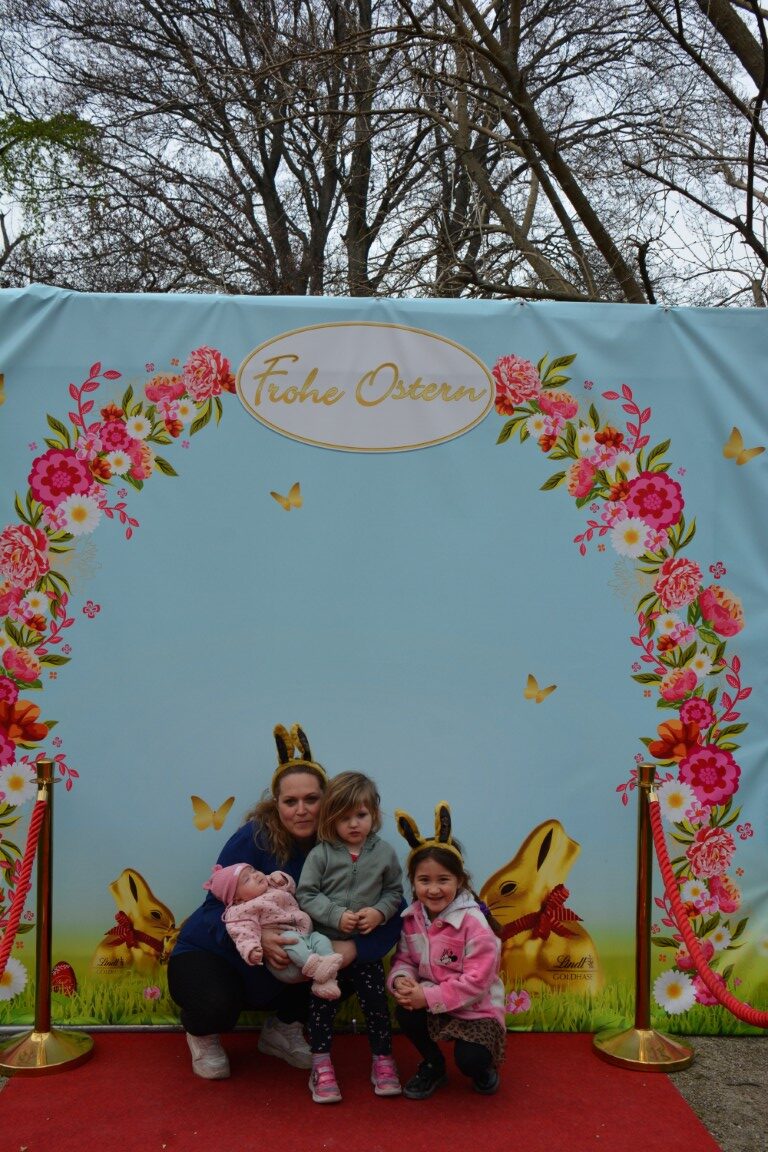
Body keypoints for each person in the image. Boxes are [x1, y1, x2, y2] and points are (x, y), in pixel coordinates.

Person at [168, 724, 403, 1080]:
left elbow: (393, 907)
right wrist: (257, 936)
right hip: (216, 952)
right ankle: (203, 1033)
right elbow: (214, 907)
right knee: (215, 1004)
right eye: (290, 801)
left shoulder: (347, 846)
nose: (301, 810)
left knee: (344, 966)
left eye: (312, 799)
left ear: (328, 801)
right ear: (275, 803)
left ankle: (283, 1028)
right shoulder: (254, 837)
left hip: (291, 955)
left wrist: (353, 948)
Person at [296, 771, 404, 1103]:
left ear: (374, 814)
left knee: (376, 1005)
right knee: (322, 1005)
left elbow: (394, 892)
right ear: (331, 818)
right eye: (344, 818)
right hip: (326, 948)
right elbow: (306, 894)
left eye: (361, 815)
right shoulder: (321, 854)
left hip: (365, 951)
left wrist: (379, 913)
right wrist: (334, 915)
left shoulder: (384, 853)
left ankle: (383, 1059)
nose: (354, 824)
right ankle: (321, 1064)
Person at [387, 801, 506, 1099]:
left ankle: (483, 1067)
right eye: (424, 880)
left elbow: (477, 983)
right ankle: (434, 1064)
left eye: (443, 880)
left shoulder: (474, 924)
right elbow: (405, 959)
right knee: (405, 1011)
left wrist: (426, 997)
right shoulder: (412, 918)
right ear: (413, 882)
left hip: (476, 1009)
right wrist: (402, 980)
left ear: (459, 880)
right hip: (434, 1000)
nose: (433, 889)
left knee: (470, 1060)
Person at [204, 863, 343, 998]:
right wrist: (251, 949)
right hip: (286, 959)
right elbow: (242, 933)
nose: (255, 875)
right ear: (236, 898)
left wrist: (282, 879)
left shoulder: (270, 884)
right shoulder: (241, 910)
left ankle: (326, 978)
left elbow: (291, 888)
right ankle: (319, 970)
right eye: (247, 879)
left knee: (321, 939)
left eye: (253, 870)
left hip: (306, 936)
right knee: (291, 939)